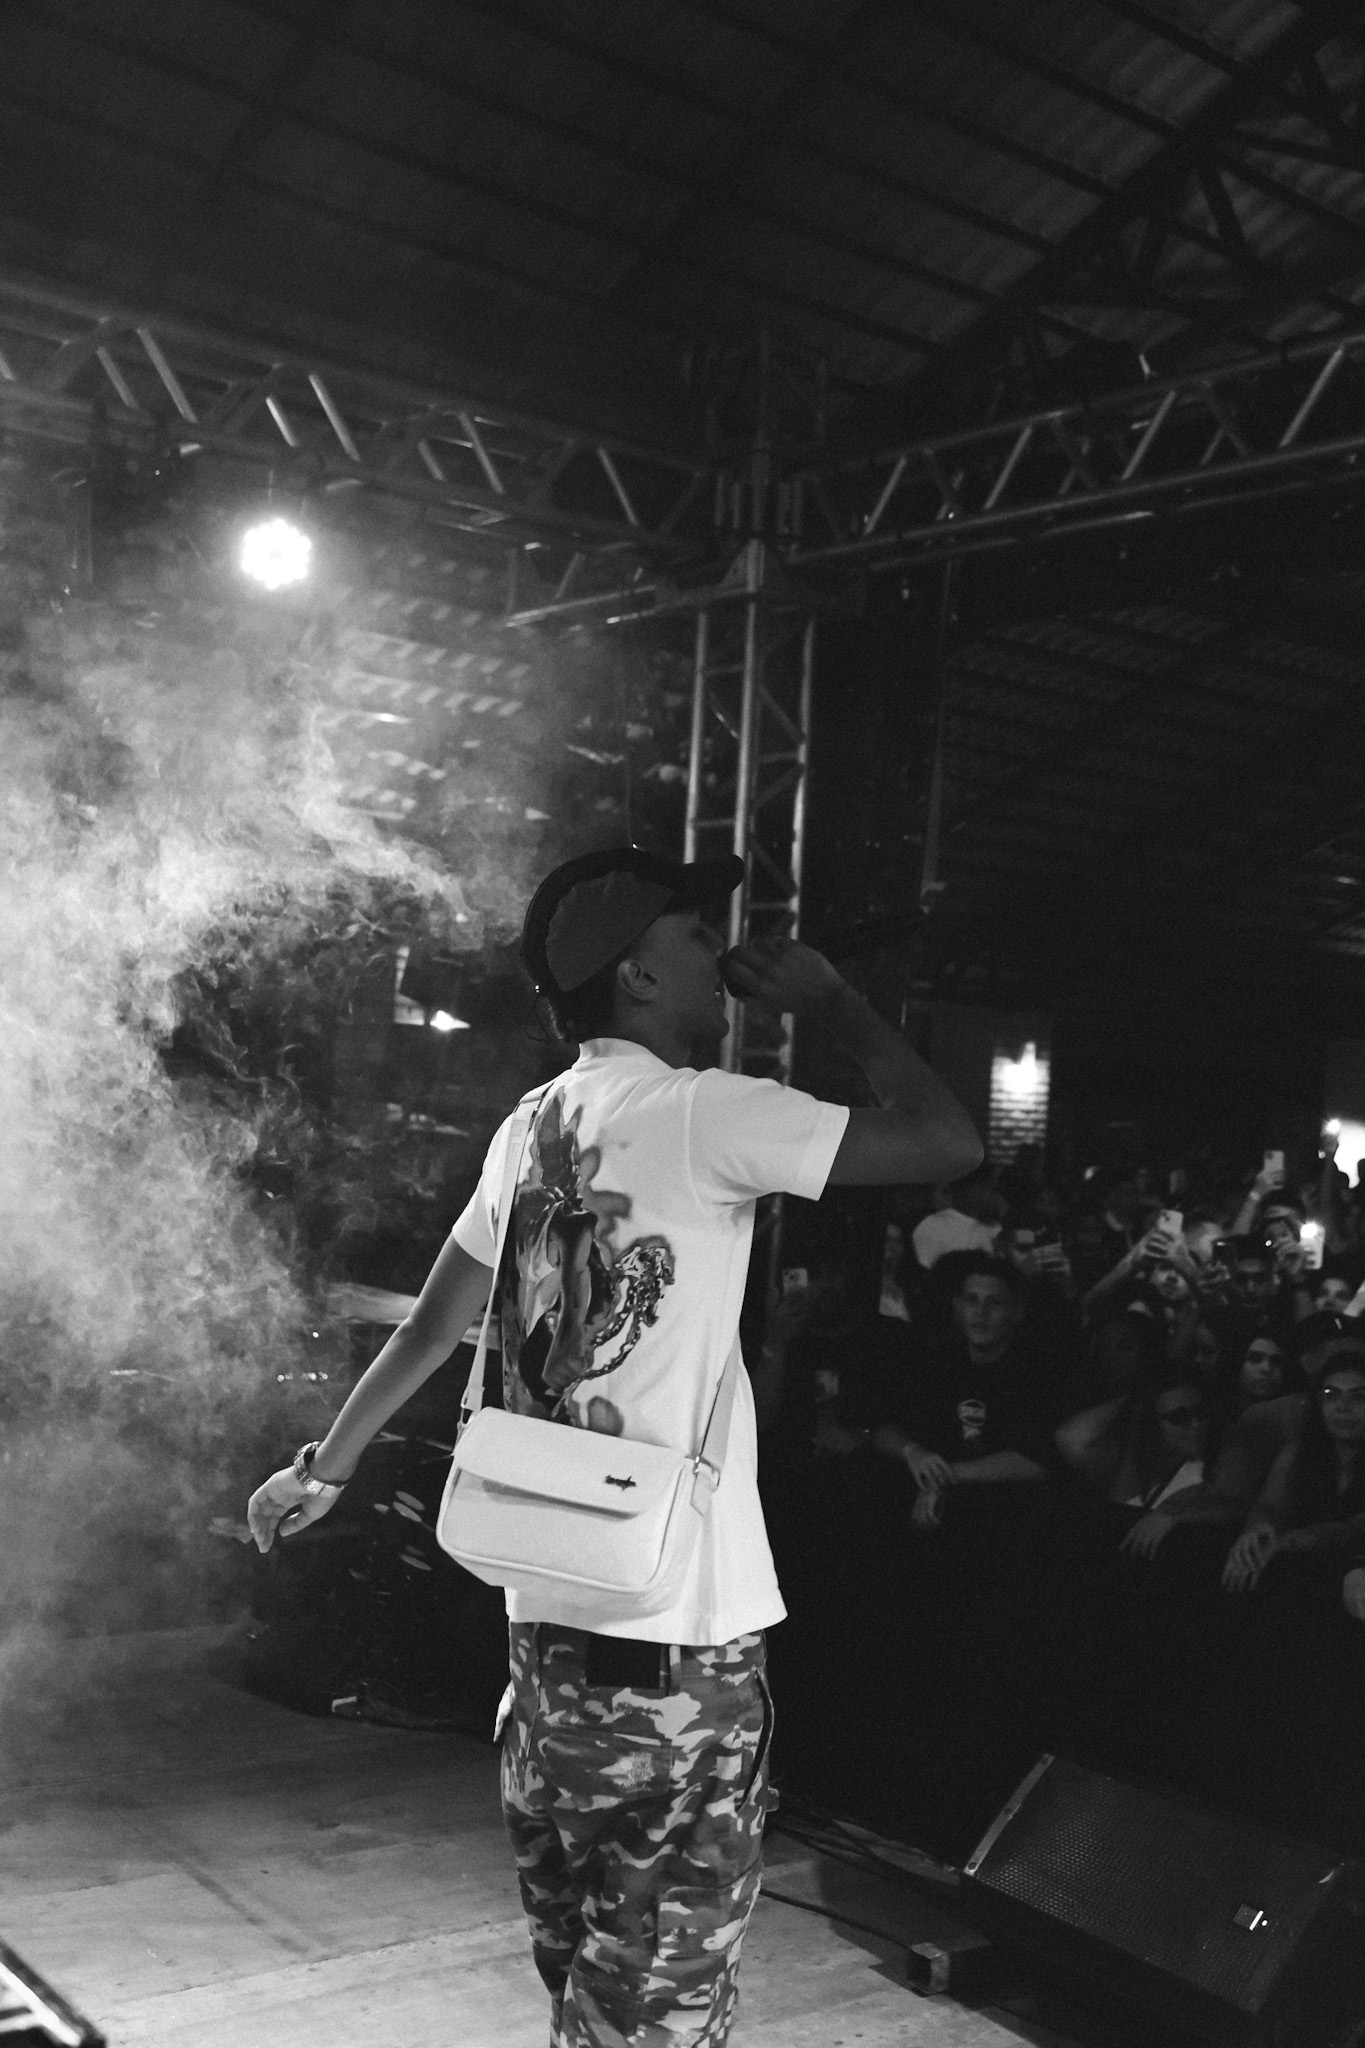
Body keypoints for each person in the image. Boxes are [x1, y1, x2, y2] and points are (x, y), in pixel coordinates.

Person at [246, 843, 981, 2048]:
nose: (721, 960)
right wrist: (836, 1004)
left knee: (589, 1996)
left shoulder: (528, 1127)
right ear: (636, 974)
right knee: (648, 2022)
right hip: (672, 1653)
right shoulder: (702, 1111)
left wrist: (325, 1465)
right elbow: (948, 1141)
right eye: (696, 938)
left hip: (541, 1658)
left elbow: (433, 1324)